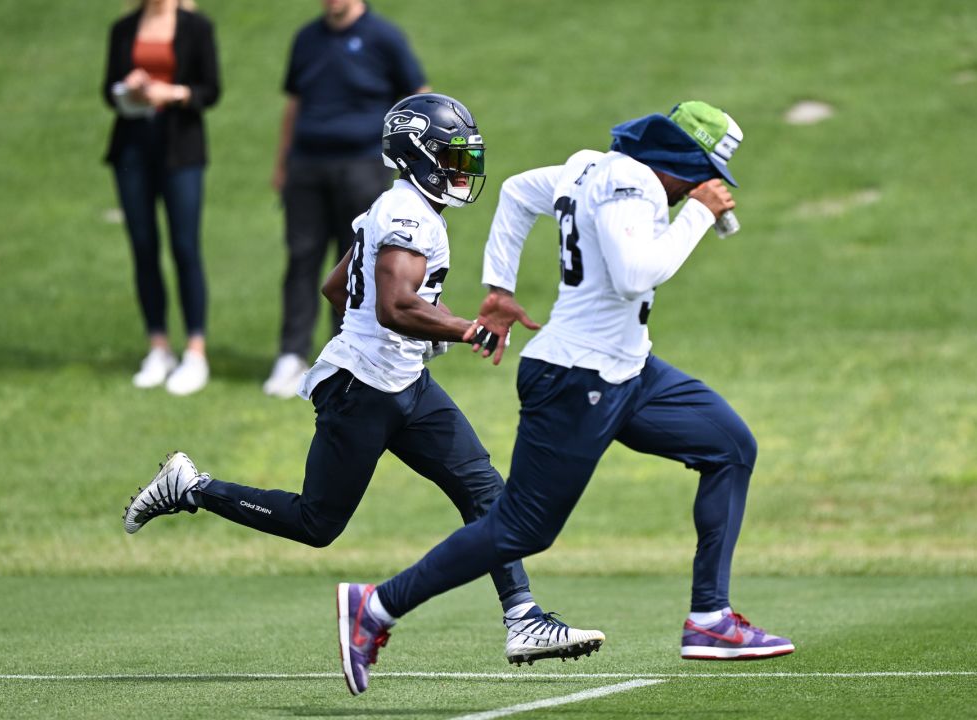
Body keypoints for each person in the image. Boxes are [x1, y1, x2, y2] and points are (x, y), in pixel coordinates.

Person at [123, 94, 603, 695]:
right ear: (418, 154)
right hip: (363, 389)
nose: (461, 169)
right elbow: (393, 303)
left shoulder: (399, 207)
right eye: (452, 157)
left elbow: (337, 287)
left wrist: (415, 330)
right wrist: (460, 327)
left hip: (403, 381)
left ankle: (523, 618)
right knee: (317, 522)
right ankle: (190, 487)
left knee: (485, 490)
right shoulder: (409, 213)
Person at [336, 101, 795, 694]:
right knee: (522, 528)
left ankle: (709, 619)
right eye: (702, 172)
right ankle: (376, 606)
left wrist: (500, 287)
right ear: (680, 157)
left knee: (730, 446)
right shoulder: (635, 184)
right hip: (577, 379)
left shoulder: (589, 166)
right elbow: (636, 273)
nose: (700, 187)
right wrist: (699, 217)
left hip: (631, 370)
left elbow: (516, 192)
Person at [263, 0, 431, 398]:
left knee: (355, 260)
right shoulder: (307, 38)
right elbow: (295, 104)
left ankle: (345, 353)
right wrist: (282, 163)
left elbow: (419, 95)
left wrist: (412, 158)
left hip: (363, 165)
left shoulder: (384, 37)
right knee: (302, 257)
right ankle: (291, 355)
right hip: (306, 166)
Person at [102, 0, 220, 395]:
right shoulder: (124, 28)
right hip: (133, 148)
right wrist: (131, 88)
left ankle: (195, 349)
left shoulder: (196, 27)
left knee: (185, 246)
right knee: (143, 246)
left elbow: (211, 89)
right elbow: (107, 90)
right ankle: (158, 346)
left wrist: (174, 92)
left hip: (181, 149)